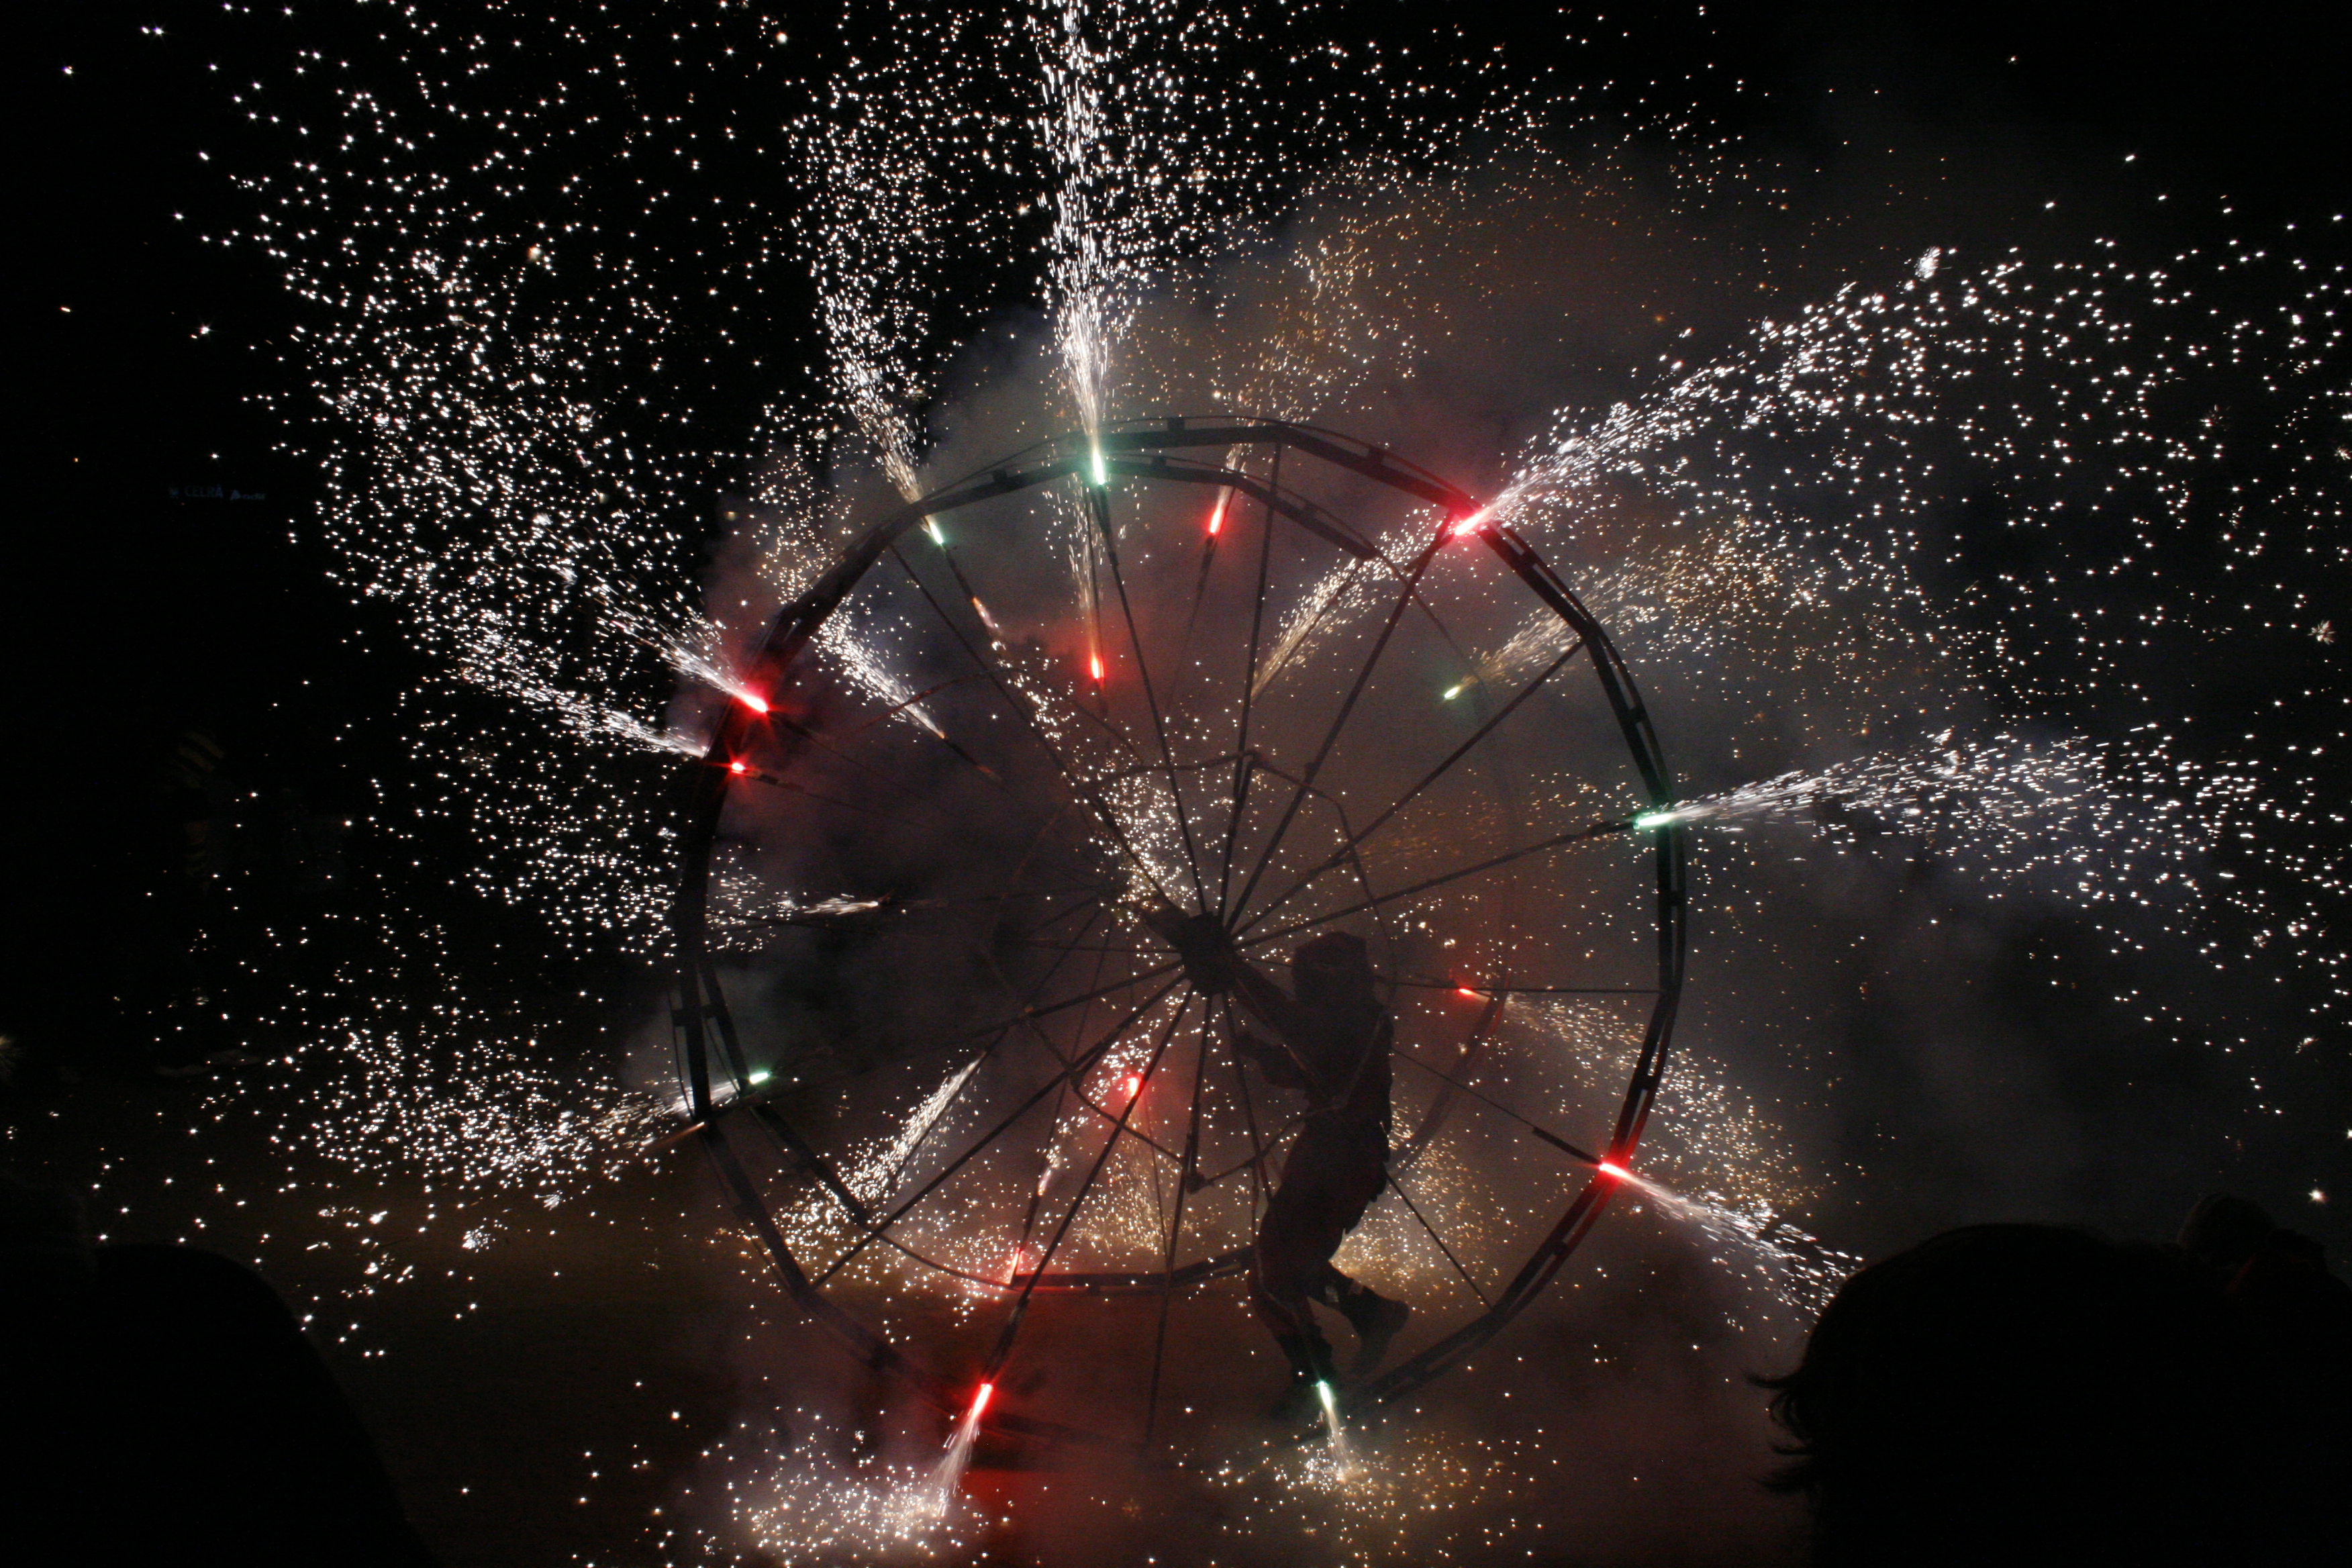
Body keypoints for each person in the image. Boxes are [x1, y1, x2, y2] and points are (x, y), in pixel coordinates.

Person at [1144, 907, 1410, 1420]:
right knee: (1295, 1264)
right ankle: (1370, 1313)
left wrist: (1221, 962)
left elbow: (1287, 1020)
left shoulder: (1348, 1025)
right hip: (1337, 1155)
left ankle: (1315, 1376)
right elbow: (1305, 1061)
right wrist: (1261, 1053)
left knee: (1272, 1274)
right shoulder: (1358, 1025)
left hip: (1337, 1160)